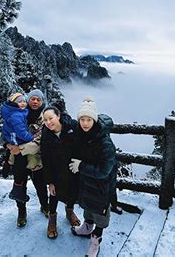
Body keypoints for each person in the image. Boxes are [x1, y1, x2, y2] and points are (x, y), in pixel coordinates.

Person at [69, 97, 117, 257]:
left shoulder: (104, 143)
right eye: (82, 119)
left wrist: (81, 166)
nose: (85, 123)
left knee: (100, 214)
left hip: (101, 186)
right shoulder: (81, 135)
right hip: (86, 182)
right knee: (88, 208)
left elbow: (105, 170)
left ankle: (95, 241)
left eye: (88, 119)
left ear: (94, 120)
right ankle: (87, 227)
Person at [1, 91, 49, 227]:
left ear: (42, 102)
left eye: (38, 100)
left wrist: (19, 149)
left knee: (40, 185)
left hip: (36, 159)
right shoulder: (18, 112)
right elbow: (5, 132)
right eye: (32, 99)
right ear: (27, 100)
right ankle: (21, 212)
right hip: (18, 160)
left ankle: (45, 206)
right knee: (19, 186)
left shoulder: (45, 118)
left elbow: (40, 141)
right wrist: (8, 144)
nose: (35, 102)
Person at [40, 106, 82, 239]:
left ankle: (69, 212)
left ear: (58, 116)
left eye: (51, 118)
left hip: (73, 168)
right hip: (56, 171)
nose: (48, 122)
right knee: (53, 194)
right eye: (45, 120)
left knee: (73, 192)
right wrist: (50, 182)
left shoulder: (72, 126)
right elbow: (45, 159)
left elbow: (83, 142)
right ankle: (52, 220)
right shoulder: (46, 134)